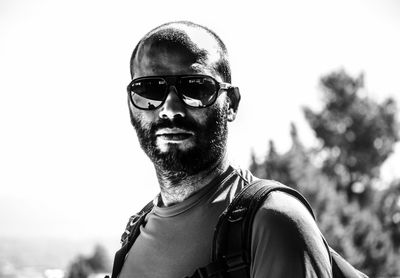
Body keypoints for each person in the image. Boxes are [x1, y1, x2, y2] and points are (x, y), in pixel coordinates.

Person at [114, 21, 333, 278]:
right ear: (131, 107)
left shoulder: (274, 222)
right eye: (149, 90)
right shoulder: (134, 236)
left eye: (195, 88)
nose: (169, 109)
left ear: (231, 104)